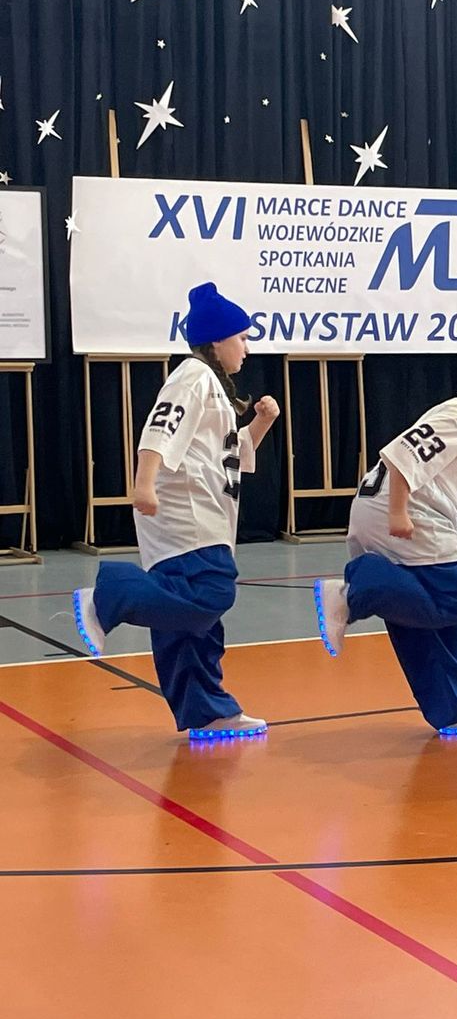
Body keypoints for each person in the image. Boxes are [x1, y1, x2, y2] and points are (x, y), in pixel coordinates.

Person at [71, 283, 279, 740]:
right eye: (242, 338)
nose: (247, 348)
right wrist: (143, 483)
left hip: (206, 515)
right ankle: (108, 595)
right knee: (210, 594)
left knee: (191, 629)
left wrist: (261, 423)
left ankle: (207, 711)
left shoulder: (213, 388)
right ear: (217, 340)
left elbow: (230, 456)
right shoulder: (193, 375)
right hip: (189, 515)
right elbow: (161, 427)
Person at [312, 344, 457, 736]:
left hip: (389, 511)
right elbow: (404, 455)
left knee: (422, 622)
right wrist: (398, 511)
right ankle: (352, 592)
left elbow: (453, 495)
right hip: (400, 512)